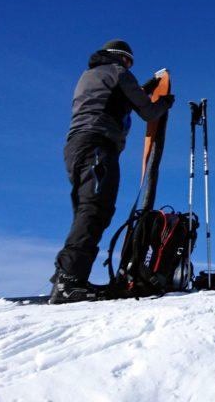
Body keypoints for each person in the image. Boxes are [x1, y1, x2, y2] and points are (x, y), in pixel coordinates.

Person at [51, 40, 174, 304]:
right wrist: (165, 101)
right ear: (122, 59)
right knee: (95, 209)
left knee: (88, 209)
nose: (129, 67)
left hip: (78, 146)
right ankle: (69, 280)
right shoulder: (119, 72)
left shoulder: (92, 74)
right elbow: (148, 110)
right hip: (98, 146)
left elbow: (119, 99)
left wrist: (146, 87)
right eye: (129, 62)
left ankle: (69, 278)